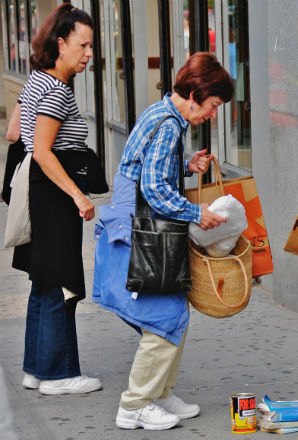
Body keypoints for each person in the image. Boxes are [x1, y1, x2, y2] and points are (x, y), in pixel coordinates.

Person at [92, 52, 233, 431]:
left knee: (170, 314)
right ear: (194, 94)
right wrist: (197, 213)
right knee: (165, 316)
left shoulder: (162, 115)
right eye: (214, 105)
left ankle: (159, 392)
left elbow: (146, 168)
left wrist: (187, 165)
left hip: (138, 230)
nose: (213, 114)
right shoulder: (169, 125)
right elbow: (154, 188)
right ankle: (135, 404)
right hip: (145, 232)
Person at [8, 3, 102, 395]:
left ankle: (35, 369)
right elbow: (44, 151)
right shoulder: (56, 90)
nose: (88, 54)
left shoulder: (36, 81)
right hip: (53, 193)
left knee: (43, 280)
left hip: (37, 191)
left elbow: (14, 132)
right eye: (83, 45)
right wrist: (78, 196)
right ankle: (59, 374)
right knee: (60, 281)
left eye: (91, 46)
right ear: (61, 43)